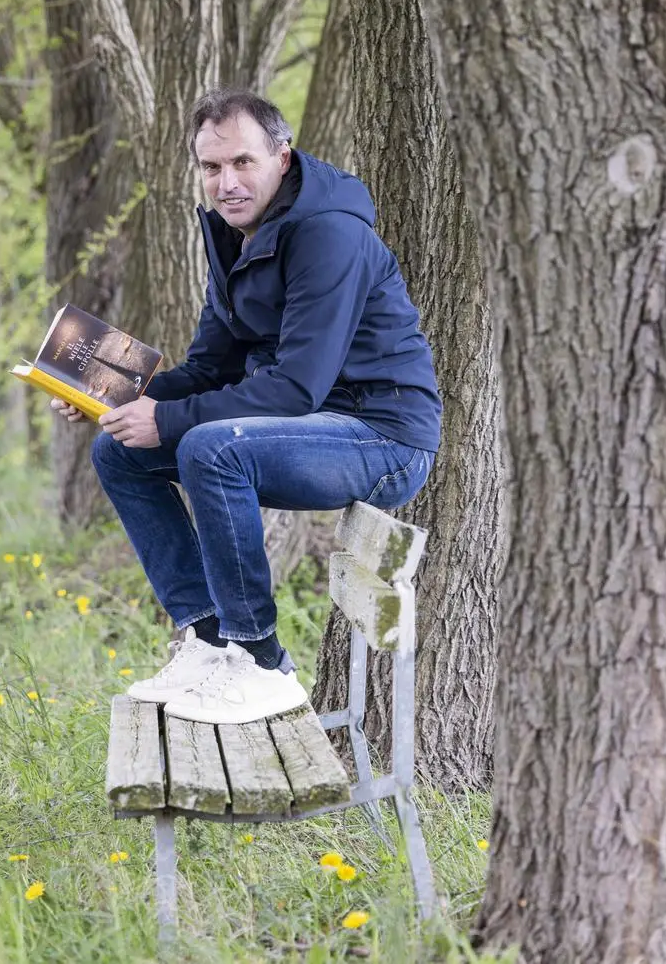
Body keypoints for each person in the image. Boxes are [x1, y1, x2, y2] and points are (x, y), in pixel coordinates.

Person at [51, 88, 441, 725]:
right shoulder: (234, 235)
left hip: (381, 438)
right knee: (118, 451)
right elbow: (210, 368)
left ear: (281, 158)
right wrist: (120, 398)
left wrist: (170, 421)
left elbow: (295, 389)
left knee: (212, 445)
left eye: (242, 163)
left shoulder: (328, 234)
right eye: (211, 168)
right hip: (306, 428)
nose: (226, 183)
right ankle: (207, 640)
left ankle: (261, 662)